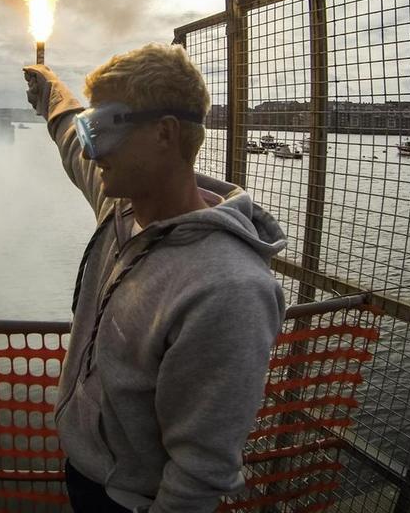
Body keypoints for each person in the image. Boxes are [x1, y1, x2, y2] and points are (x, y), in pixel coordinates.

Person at [22, 43, 286, 513]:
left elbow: (201, 470)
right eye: (89, 127)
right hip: (87, 474)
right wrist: (50, 92)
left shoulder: (229, 288)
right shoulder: (122, 209)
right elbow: (68, 136)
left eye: (101, 129)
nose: (89, 146)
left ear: (164, 134)